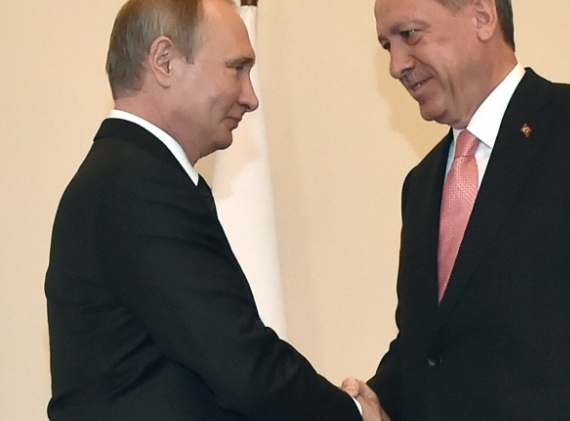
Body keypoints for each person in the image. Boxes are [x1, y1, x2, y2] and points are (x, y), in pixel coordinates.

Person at [342, 0, 570, 420]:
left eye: (409, 35)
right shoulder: (422, 184)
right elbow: (429, 347)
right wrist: (361, 403)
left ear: (482, 16)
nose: (396, 64)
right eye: (386, 45)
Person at [45, 0, 370, 419]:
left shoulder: (129, 176)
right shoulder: (137, 184)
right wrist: (353, 413)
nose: (251, 98)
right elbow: (241, 366)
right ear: (165, 62)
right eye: (236, 68)